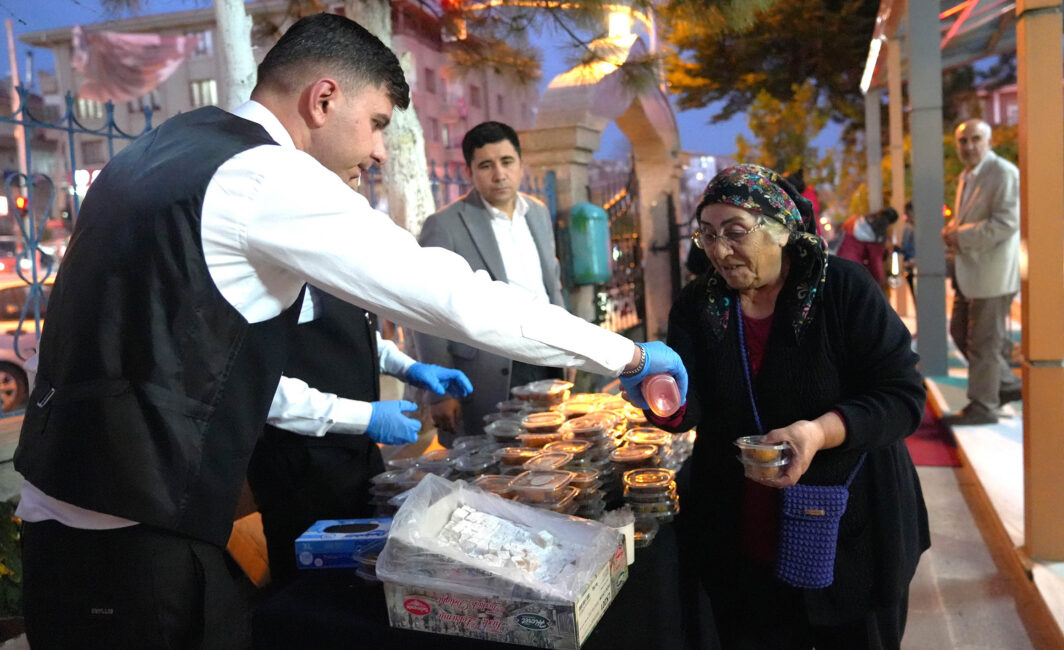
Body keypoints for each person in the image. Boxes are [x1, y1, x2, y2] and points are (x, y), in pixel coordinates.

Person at [13, 14, 686, 648]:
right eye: (376, 124)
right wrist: (627, 354)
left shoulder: (164, 147)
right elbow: (450, 295)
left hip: (67, 521)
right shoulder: (266, 174)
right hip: (139, 542)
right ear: (324, 99)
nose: (377, 151)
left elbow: (188, 355)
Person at [650, 164, 929, 649]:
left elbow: (902, 396)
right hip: (743, 533)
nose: (719, 250)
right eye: (708, 235)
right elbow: (689, 409)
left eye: (735, 232)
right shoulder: (699, 305)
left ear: (781, 230)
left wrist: (818, 432)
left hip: (852, 527)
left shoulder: (842, 289)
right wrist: (657, 392)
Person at [249, 284, 472, 589]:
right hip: (298, 469)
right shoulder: (259, 283)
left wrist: (407, 367)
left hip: (357, 456)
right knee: (315, 591)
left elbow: (355, 333)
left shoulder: (331, 269)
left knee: (367, 575)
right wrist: (366, 417)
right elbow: (262, 389)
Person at [414, 121, 565, 442]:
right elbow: (428, 308)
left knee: (549, 451)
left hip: (546, 356)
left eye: (507, 162)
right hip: (485, 372)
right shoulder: (445, 225)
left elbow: (551, 284)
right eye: (486, 166)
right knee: (492, 461)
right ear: (469, 172)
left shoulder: (537, 213)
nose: (499, 174)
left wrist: (568, 345)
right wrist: (440, 391)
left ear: (521, 165)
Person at [941, 118, 1022, 426]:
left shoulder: (1003, 172)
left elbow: (1006, 223)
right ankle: (1006, 384)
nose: (969, 146)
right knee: (960, 333)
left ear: (990, 142)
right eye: (963, 141)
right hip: (970, 272)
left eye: (976, 139)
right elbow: (970, 218)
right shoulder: (968, 175)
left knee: (984, 343)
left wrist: (959, 235)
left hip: (993, 274)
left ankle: (984, 406)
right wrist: (953, 229)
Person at [834, 206, 899, 287]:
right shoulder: (878, 235)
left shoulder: (854, 221)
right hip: (854, 271)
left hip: (838, 263)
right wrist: (881, 283)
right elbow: (876, 263)